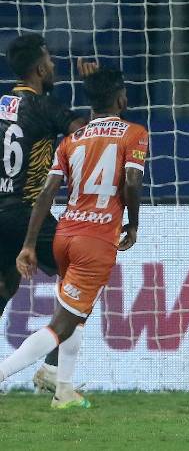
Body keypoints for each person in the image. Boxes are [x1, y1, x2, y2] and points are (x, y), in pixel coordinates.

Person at [0, 69, 147, 409]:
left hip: (63, 235)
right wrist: (133, 224)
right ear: (122, 99)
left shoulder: (72, 140)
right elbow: (131, 183)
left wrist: (29, 244)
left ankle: (62, 388)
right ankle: (10, 372)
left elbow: (46, 193)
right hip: (95, 241)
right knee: (61, 326)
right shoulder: (135, 133)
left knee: (77, 312)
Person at [0, 33, 94, 392]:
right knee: (80, 275)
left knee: (5, 284)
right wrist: (93, 93)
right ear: (40, 69)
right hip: (24, 213)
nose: (53, 66)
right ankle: (52, 369)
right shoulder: (43, 106)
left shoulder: (4, 103)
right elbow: (89, 138)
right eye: (50, 61)